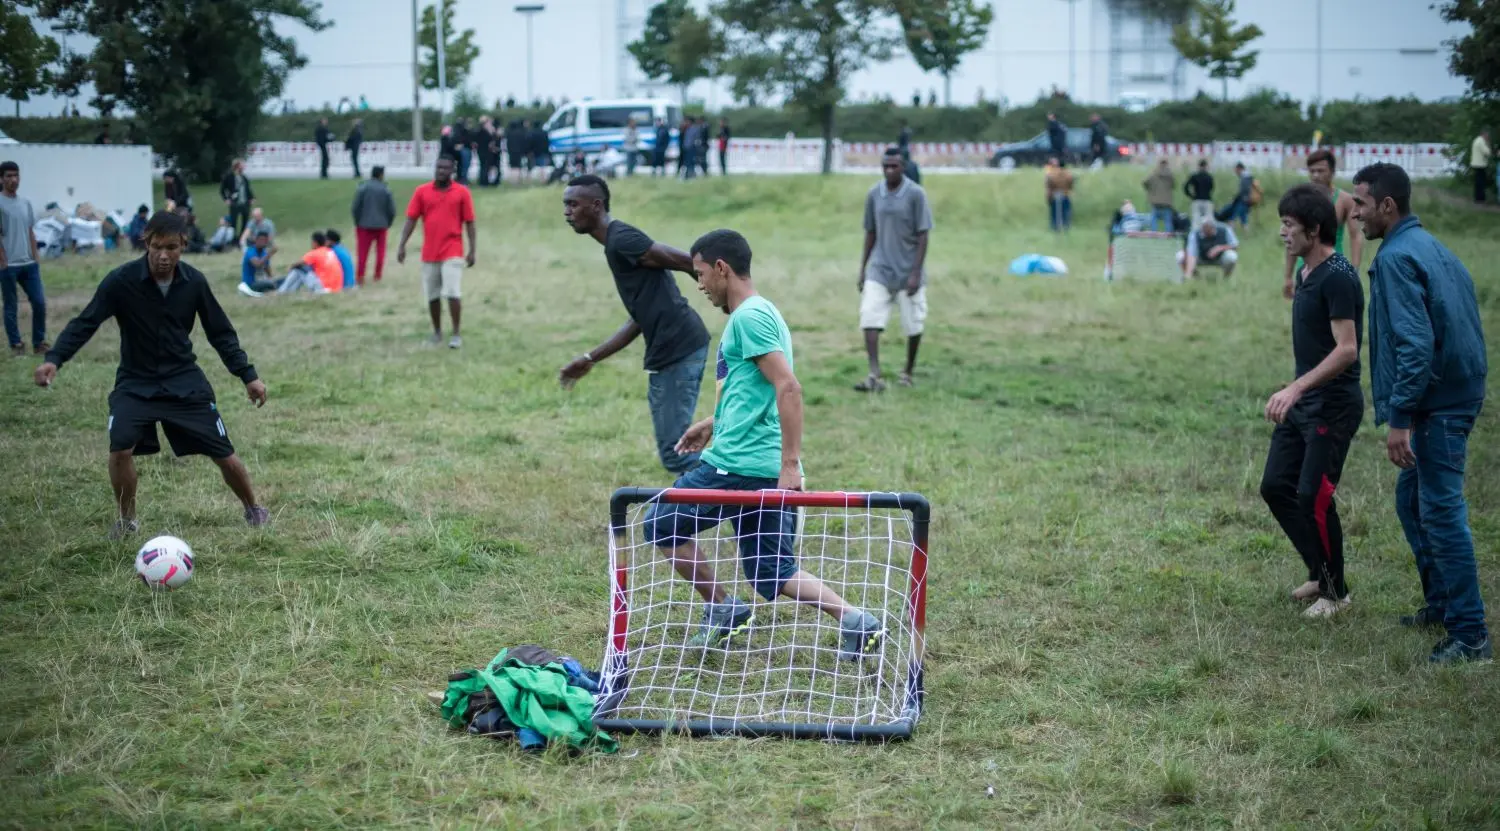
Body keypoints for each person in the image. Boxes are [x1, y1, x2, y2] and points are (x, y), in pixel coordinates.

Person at [643, 228, 885, 656]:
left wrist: (790, 464)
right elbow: (754, 392)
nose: (698, 285)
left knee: (660, 522)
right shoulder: (761, 313)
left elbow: (788, 387)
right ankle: (855, 620)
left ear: (721, 269)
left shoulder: (749, 318)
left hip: (736, 467)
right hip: (758, 464)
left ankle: (722, 607)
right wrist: (713, 422)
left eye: (700, 274)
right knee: (770, 572)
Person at [34, 210, 271, 538]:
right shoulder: (121, 281)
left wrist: (248, 376)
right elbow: (85, 322)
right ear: (145, 243)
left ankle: (253, 508)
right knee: (119, 449)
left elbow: (221, 334)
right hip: (136, 382)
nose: (163, 255)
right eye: (156, 247)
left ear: (183, 245)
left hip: (184, 381)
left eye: (171, 247)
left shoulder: (195, 283)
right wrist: (55, 359)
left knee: (224, 453)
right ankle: (127, 520)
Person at [1352, 162, 1490, 664]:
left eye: (1362, 203)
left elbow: (1415, 345)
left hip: (1438, 403)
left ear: (1387, 206)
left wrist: (1401, 419)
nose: (1355, 213)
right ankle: (1443, 604)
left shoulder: (1397, 257)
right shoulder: (1431, 246)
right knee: (1412, 501)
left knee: (1440, 511)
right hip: (1458, 389)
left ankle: (1471, 635)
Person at [558, 174, 710, 475]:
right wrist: (591, 359)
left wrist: (723, 294)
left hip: (678, 348)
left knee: (676, 454)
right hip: (675, 347)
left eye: (573, 204)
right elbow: (639, 318)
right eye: (565, 205)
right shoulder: (616, 245)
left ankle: (761, 491)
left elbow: (683, 260)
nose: (567, 212)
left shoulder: (621, 239)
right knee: (679, 451)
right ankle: (724, 506)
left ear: (596, 205)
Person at [1260, 184, 1364, 619]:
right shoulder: (1305, 272)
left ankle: (1335, 593)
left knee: (1313, 496)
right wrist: (1298, 387)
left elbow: (1347, 349)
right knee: (1276, 487)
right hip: (1305, 400)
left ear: (1314, 229)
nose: (1283, 233)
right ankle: (1321, 573)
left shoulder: (1338, 276)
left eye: (1289, 225)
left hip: (1333, 405)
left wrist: (1296, 387)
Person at [856, 148, 933, 392]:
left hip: (908, 269)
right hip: (880, 268)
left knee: (913, 324)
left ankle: (908, 371)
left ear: (904, 167)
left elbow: (923, 235)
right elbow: (870, 232)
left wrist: (915, 272)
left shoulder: (915, 194)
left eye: (895, 166)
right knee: (869, 316)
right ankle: (874, 373)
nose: (889, 170)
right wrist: (863, 268)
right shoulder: (874, 194)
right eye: (885, 166)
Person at [397, 156, 475, 349]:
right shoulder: (422, 192)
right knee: (432, 295)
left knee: (452, 292)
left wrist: (472, 250)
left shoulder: (462, 192)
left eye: (445, 168)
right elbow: (411, 219)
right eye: (438, 167)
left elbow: (470, 222)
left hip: (453, 250)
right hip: (430, 252)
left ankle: (456, 333)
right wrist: (402, 245)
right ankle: (437, 332)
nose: (441, 171)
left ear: (452, 170)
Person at [1281, 149, 1362, 300]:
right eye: (1312, 171)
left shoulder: (1345, 200)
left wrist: (1355, 270)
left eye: (1320, 171)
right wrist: (1288, 276)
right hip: (1304, 265)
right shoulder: (1301, 202)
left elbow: (1355, 236)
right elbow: (1291, 236)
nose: (1316, 175)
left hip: (1333, 264)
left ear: (1332, 172)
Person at [1, 161, 47, 357]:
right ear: (1, 179)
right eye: (9, 176)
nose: (13, 180)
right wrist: (2, 260)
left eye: (16, 175)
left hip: (28, 264)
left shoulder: (25, 203)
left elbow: (30, 231)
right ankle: (16, 344)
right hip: (8, 265)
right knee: (11, 305)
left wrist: (35, 256)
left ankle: (39, 342)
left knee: (39, 302)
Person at [351, 165, 397, 284]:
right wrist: (388, 222)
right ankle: (377, 275)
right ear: (381, 175)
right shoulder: (386, 189)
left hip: (364, 225)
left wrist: (357, 221)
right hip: (381, 225)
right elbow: (392, 210)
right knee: (380, 252)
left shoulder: (362, 188)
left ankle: (360, 276)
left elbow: (355, 207)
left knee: (362, 252)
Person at [218, 158, 254, 241]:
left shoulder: (244, 177)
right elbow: (222, 190)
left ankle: (242, 239)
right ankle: (232, 239)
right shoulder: (229, 176)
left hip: (245, 203)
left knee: (245, 222)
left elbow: (248, 189)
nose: (244, 167)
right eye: (242, 165)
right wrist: (226, 199)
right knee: (233, 222)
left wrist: (251, 198)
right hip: (234, 203)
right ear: (237, 166)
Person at [238, 230, 278, 296]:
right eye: (261, 240)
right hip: (250, 284)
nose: (263, 242)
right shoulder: (250, 251)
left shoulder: (264, 253)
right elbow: (257, 264)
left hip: (262, 281)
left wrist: (273, 278)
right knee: (271, 284)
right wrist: (269, 254)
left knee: (280, 281)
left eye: (265, 241)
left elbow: (268, 271)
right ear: (256, 240)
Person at [1142, 159, 1175, 232]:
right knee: (1168, 221)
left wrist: (1149, 188)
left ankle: (1154, 233)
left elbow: (1144, 182)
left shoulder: (1154, 175)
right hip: (1166, 202)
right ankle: (1168, 234)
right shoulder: (1170, 176)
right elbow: (1173, 186)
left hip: (1155, 201)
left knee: (1154, 220)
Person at [1044, 156, 1073, 233]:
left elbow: (1048, 187)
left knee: (1054, 215)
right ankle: (1066, 228)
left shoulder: (1050, 175)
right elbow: (1070, 184)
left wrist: (1048, 197)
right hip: (1065, 195)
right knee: (1066, 213)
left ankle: (1055, 229)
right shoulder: (1068, 174)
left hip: (1054, 196)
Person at [1183, 159, 1215, 229]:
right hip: (1207, 199)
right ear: (1206, 166)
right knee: (1209, 219)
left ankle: (1196, 235)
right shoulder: (1209, 177)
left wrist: (1191, 196)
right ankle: (1208, 233)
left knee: (1196, 220)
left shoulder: (1195, 176)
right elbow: (1212, 187)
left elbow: (1185, 186)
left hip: (1197, 199)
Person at [1470, 129, 1491, 204]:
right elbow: (1487, 152)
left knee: (1477, 182)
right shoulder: (1482, 141)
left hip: (1475, 164)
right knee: (1481, 183)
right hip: (1480, 164)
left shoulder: (1476, 140)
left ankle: (1477, 198)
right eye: (1487, 135)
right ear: (1484, 134)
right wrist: (1488, 144)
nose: (1488, 137)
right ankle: (1481, 199)